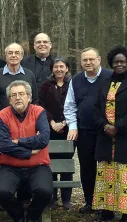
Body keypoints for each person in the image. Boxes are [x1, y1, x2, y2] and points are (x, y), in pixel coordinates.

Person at [92, 46, 127, 222]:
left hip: (126, 137)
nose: (119, 64)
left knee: (125, 175)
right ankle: (106, 211)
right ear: (111, 64)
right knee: (107, 174)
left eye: (123, 61)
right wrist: (105, 125)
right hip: (106, 136)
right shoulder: (105, 83)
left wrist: (118, 127)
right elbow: (95, 108)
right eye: (116, 62)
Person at [0, 80, 52, 222]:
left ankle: (32, 217)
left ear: (29, 97)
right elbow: (4, 145)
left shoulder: (39, 112)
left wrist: (18, 141)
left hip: (38, 166)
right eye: (13, 95)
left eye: (21, 94)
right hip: (11, 167)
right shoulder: (3, 115)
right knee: (1, 192)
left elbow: (43, 140)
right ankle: (19, 217)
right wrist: (29, 152)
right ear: (9, 99)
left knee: (45, 191)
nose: (17, 98)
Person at [63, 47, 112, 213]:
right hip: (84, 130)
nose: (88, 63)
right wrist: (73, 126)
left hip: (106, 131)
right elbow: (69, 106)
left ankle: (107, 204)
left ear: (99, 60)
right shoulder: (75, 80)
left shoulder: (110, 77)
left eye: (92, 59)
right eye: (85, 60)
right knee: (87, 168)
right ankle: (90, 202)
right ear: (81, 62)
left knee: (107, 167)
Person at [38, 57, 73, 210]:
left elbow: (74, 104)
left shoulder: (72, 84)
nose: (59, 69)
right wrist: (52, 122)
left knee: (66, 162)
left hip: (67, 130)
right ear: (52, 69)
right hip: (49, 128)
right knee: (49, 164)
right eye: (56, 67)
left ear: (67, 69)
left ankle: (66, 199)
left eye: (62, 67)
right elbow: (41, 105)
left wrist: (64, 123)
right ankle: (52, 197)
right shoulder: (46, 85)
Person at [0, 43, 38, 118]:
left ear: (22, 56)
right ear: (6, 56)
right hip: (3, 121)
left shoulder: (29, 75)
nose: (13, 55)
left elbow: (35, 99)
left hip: (26, 120)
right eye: (10, 53)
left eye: (17, 53)